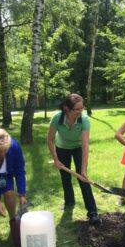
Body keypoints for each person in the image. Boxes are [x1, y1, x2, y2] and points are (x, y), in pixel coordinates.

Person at [47, 93, 100, 224]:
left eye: (82, 108)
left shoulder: (84, 119)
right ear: (66, 109)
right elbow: (49, 139)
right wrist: (56, 159)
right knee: (65, 177)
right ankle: (69, 201)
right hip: (62, 147)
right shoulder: (57, 118)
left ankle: (92, 212)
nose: (80, 111)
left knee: (83, 179)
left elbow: (85, 145)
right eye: (77, 109)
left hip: (78, 147)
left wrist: (83, 169)